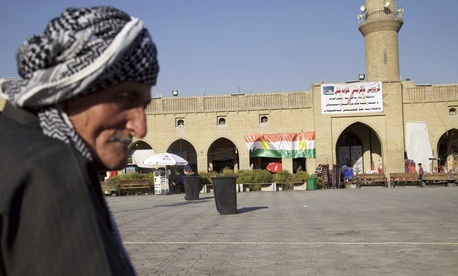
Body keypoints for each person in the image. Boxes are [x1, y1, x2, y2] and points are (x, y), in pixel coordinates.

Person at [0, 6, 159, 275]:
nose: (140, 128)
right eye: (125, 98)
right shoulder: (50, 167)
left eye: (144, 104)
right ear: (67, 88)